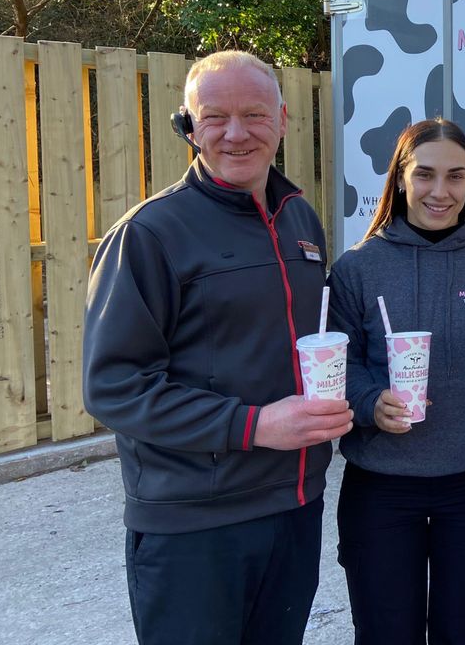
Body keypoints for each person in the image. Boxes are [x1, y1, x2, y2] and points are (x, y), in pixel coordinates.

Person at [83, 50, 354, 645]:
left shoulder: (301, 221)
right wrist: (254, 425)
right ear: (189, 123)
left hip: (295, 505)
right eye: (215, 117)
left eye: (255, 114)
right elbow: (113, 387)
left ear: (283, 119)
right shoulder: (149, 235)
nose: (236, 134)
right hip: (194, 526)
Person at [327, 118, 465, 645]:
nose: (440, 192)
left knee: (464, 633)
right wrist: (368, 401)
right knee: (384, 634)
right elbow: (339, 359)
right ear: (400, 178)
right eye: (425, 175)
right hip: (380, 485)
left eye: (456, 176)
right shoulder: (359, 267)